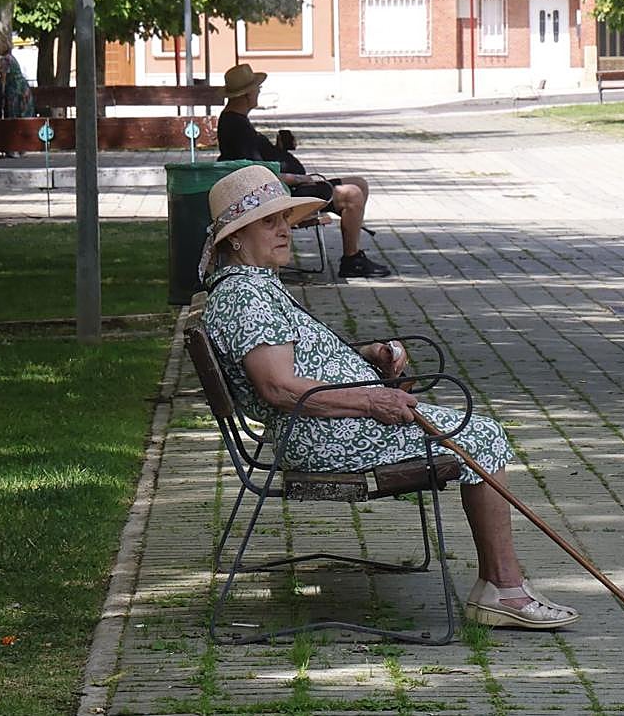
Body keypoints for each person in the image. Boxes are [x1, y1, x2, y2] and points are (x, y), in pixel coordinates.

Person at [199, 164, 579, 630]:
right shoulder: (245, 297)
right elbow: (278, 389)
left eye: (285, 220)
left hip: (333, 425)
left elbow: (296, 359)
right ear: (235, 237)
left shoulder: (251, 287)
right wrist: (370, 402)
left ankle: (501, 586)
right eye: (269, 222)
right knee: (481, 436)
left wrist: (366, 354)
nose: (285, 231)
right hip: (325, 437)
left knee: (474, 431)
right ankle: (504, 589)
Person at [216, 63, 390, 279]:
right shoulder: (236, 126)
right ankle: (351, 260)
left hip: (280, 189)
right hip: (277, 195)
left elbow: (257, 161)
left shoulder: (236, 120)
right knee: (352, 194)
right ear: (245, 94)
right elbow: (255, 173)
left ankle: (353, 254)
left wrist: (279, 151)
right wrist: (298, 178)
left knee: (359, 182)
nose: (259, 91)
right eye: (256, 88)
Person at [0, 38, 35, 118]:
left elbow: (4, 77)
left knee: (15, 113)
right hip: (23, 87)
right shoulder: (10, 57)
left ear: (3, 47)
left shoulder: (5, 59)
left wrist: (1, 93)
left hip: (16, 89)